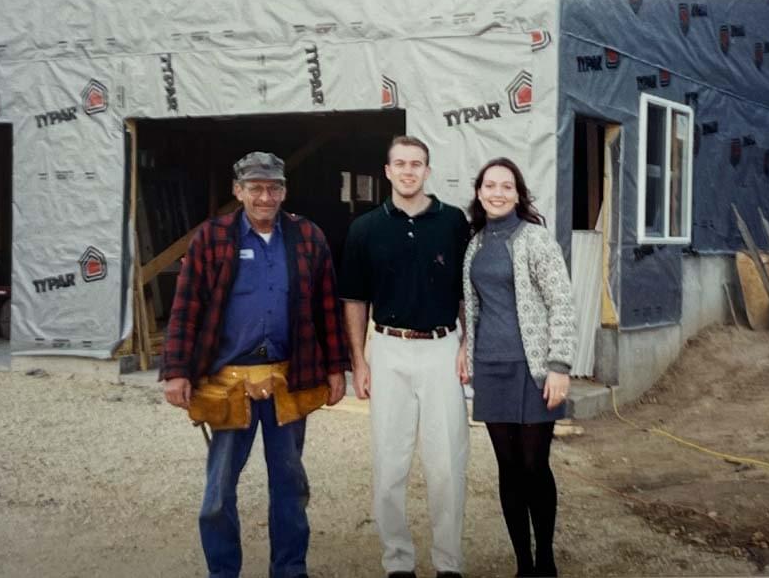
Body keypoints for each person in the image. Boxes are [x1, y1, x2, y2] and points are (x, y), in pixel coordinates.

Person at [161, 151, 349, 578]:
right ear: (238, 190)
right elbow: (186, 308)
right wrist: (176, 371)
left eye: (273, 188)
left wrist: (335, 368)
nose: (265, 196)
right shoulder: (211, 238)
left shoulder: (307, 237)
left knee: (290, 486)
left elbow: (326, 309)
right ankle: (223, 572)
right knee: (218, 492)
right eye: (256, 188)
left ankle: (289, 569)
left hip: (289, 378)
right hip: (226, 383)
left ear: (284, 190)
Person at [339, 135, 471, 578]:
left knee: (447, 463)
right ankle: (398, 561)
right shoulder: (365, 229)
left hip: (441, 348)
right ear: (388, 171)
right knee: (389, 462)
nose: (409, 171)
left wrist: (467, 344)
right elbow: (354, 300)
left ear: (428, 171)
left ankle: (449, 562)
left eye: (417, 164)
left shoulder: (454, 223)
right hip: (389, 348)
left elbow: (469, 292)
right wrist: (360, 362)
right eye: (401, 164)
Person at [460, 158, 576, 578]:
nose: (497, 193)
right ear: (479, 192)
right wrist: (465, 350)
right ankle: (523, 565)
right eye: (490, 185)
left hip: (534, 368)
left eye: (506, 186)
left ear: (518, 193)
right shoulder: (475, 244)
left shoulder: (536, 239)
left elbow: (561, 302)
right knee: (507, 469)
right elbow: (473, 307)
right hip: (491, 367)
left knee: (534, 466)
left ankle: (545, 561)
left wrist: (560, 365)